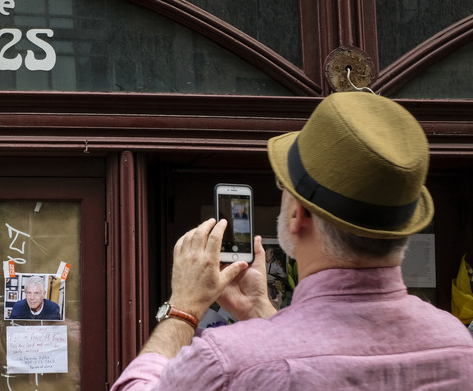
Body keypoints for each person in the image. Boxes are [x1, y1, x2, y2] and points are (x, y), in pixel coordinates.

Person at [111, 92, 473, 390]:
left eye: (283, 187)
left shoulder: (229, 363)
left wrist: (183, 308)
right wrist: (259, 312)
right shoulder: (458, 347)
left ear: (299, 216)